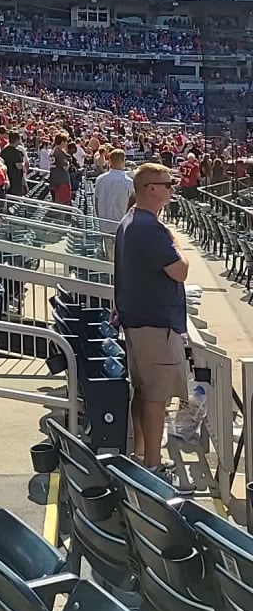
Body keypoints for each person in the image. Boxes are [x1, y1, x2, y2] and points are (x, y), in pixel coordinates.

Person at [114, 162, 192, 487]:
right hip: (154, 324)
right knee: (156, 397)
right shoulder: (147, 226)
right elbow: (181, 270)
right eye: (168, 184)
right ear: (151, 189)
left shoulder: (132, 221)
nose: (172, 189)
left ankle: (142, 454)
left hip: (141, 321)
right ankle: (153, 467)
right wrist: (178, 245)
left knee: (145, 392)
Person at [94, 149, 134, 259]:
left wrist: (100, 217)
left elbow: (96, 202)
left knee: (110, 256)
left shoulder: (100, 179)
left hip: (105, 222)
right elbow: (132, 204)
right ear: (124, 161)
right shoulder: (129, 182)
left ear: (110, 161)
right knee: (121, 257)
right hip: (122, 223)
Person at [49, 132, 72, 205]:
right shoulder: (59, 152)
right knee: (63, 204)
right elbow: (65, 167)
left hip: (55, 179)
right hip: (61, 180)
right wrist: (69, 162)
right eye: (65, 142)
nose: (66, 144)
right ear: (62, 142)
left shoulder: (53, 150)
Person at [2, 130, 27, 196]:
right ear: (17, 140)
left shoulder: (4, 150)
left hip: (7, 177)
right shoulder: (16, 153)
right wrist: (23, 163)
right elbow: (19, 166)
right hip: (15, 180)